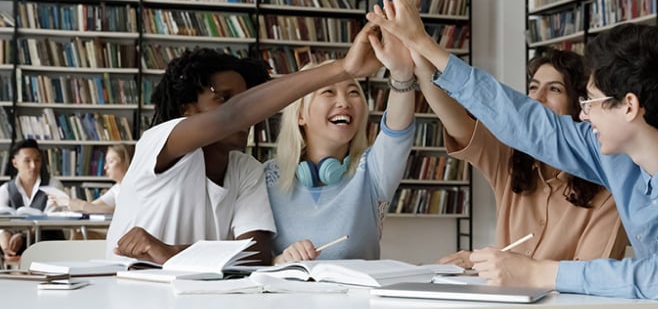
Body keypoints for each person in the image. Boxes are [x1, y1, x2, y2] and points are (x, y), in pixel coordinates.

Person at [366, 0, 658, 308]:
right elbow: (526, 121)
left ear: (628, 106)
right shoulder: (619, 159)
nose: (582, 116)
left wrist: (536, 272)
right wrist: (426, 47)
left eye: (589, 103)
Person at [105, 23, 386, 266]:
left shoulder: (246, 170)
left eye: (250, 102)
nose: (250, 114)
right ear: (187, 109)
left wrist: (171, 253)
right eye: (224, 97)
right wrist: (343, 68)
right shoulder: (158, 142)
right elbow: (232, 116)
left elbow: (255, 255)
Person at [427, 50, 627, 269]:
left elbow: (588, 280)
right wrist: (417, 60)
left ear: (581, 107)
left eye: (554, 89)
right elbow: (454, 119)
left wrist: (492, 263)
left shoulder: (611, 187)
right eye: (533, 87)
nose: (538, 98)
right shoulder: (509, 157)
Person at [264, 26, 415, 264]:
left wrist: (402, 72)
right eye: (328, 92)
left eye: (353, 91)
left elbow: (398, 130)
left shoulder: (373, 172)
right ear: (300, 115)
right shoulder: (265, 178)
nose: (344, 102)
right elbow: (247, 259)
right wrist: (278, 261)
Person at [0, 139, 65, 262]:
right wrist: (5, 247)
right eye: (27, 161)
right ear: (15, 163)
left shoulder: (54, 185)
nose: (34, 166)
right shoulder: (4, 190)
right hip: (13, 242)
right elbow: (2, 225)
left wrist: (23, 236)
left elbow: (50, 220)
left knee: (49, 231)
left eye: (37, 160)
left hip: (46, 241)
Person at [54, 144, 134, 214]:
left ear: (126, 162)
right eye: (106, 162)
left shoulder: (135, 188)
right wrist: (64, 203)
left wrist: (83, 206)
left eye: (111, 161)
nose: (105, 167)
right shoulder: (117, 188)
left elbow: (120, 212)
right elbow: (93, 206)